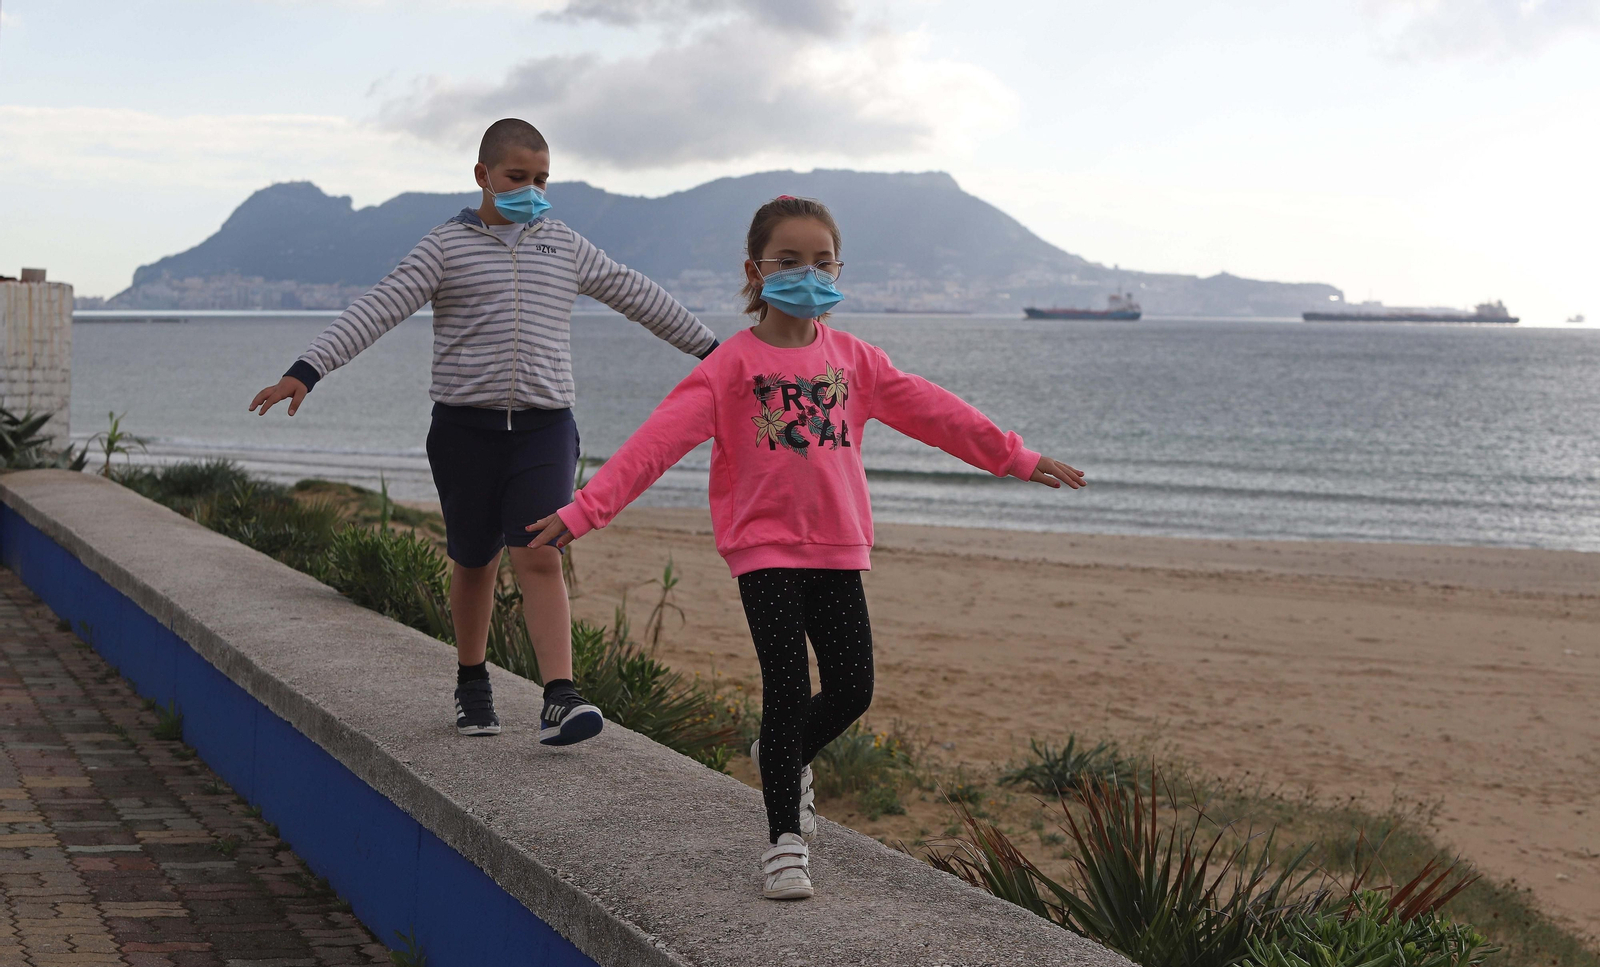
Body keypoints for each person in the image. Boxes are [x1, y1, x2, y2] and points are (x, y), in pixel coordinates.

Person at [525, 195, 1085, 900]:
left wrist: (1016, 457)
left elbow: (936, 412)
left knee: (853, 689)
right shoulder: (729, 367)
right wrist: (587, 509)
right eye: (789, 261)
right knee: (787, 688)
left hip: (838, 547)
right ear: (755, 270)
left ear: (839, 268)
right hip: (762, 549)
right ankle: (784, 843)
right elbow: (656, 443)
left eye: (821, 261)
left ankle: (779, 757)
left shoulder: (855, 360)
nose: (806, 274)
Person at [248, 118, 719, 743]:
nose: (532, 189)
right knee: (473, 561)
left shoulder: (564, 244)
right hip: (463, 432)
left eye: (542, 179)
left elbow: (640, 295)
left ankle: (560, 695)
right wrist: (306, 371)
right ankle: (473, 680)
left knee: (538, 551)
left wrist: (719, 355)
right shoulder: (444, 247)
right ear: (483, 176)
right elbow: (377, 309)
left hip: (545, 428)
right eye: (517, 177)